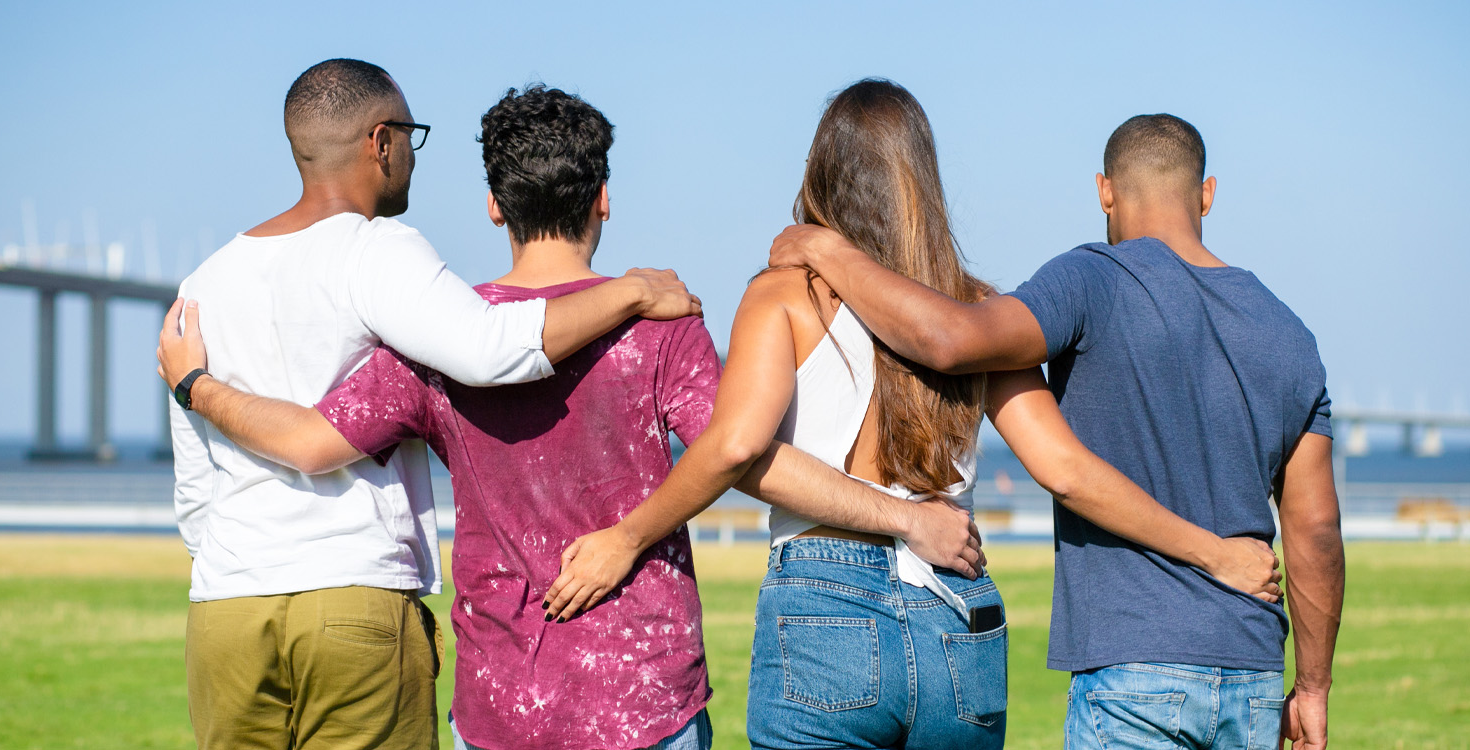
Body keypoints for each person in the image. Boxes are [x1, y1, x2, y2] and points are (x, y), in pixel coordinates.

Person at [158, 84, 993, 750]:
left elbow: (307, 443)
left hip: (500, 701)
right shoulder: (661, 325)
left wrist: (198, 383)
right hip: (647, 693)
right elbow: (747, 456)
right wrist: (905, 518)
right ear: (603, 199)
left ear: (493, 205)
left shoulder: (436, 341)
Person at [546, 81, 1284, 750]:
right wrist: (1212, 551)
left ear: (823, 173)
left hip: (821, 605)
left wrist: (627, 536)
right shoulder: (978, 308)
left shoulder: (782, 296)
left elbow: (736, 446)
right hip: (958, 617)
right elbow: (1067, 470)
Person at [163, 60, 703, 750]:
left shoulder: (205, 279)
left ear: (496, 205)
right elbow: (488, 348)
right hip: (352, 591)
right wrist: (630, 292)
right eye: (412, 140)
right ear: (380, 141)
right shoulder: (378, 252)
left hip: (226, 603)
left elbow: (197, 486)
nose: (414, 162)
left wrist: (197, 393)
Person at [768, 112, 1345, 750]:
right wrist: (1313, 687)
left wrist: (826, 248)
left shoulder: (1090, 280)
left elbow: (953, 340)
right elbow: (1316, 530)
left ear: (1105, 190)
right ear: (1207, 194)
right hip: (1254, 671)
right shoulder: (1290, 335)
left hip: (1131, 668)